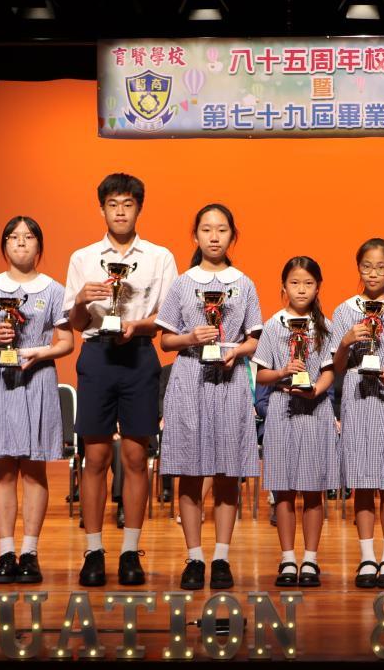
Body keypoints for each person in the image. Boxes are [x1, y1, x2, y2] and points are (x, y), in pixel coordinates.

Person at [63, 173, 178, 587]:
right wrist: (81, 299)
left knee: (134, 457)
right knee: (94, 458)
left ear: (138, 208)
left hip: (139, 354)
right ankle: (93, 551)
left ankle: (131, 550)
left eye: (128, 204)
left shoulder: (159, 257)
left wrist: (136, 326)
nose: (120, 211)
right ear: (102, 209)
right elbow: (77, 323)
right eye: (113, 204)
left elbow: (168, 318)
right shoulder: (83, 257)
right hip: (97, 354)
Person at [156, 203, 263, 591]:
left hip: (230, 380)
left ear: (233, 235)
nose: (214, 236)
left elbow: (255, 339)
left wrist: (237, 350)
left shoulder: (244, 283)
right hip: (190, 378)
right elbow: (166, 340)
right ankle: (194, 557)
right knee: (189, 470)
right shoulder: (183, 283)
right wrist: (190, 337)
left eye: (221, 230)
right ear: (195, 235)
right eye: (206, 229)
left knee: (227, 472)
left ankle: (221, 557)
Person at [0, 216, 75, 584]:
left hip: (37, 377)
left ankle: (30, 552)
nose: (21, 243)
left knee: (34, 469)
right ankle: (5, 553)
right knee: (3, 470)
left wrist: (40, 352)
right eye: (13, 237)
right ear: (4, 245)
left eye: (28, 237)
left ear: (39, 246)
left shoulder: (54, 290)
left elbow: (66, 343)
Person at [331, 238, 384, 589]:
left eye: (381, 267)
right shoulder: (344, 311)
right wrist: (346, 340)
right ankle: (367, 556)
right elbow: (336, 367)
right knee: (362, 481)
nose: (373, 273)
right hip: (356, 396)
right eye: (367, 266)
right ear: (358, 268)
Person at [254, 257, 338, 588]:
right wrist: (282, 372)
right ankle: (288, 559)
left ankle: (311, 560)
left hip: (315, 410)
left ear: (318, 287)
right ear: (283, 287)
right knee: (284, 489)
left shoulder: (326, 327)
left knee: (314, 490)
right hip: (282, 409)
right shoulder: (273, 325)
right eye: (294, 283)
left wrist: (316, 389)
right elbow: (261, 374)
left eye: (308, 283)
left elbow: (330, 370)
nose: (301, 289)